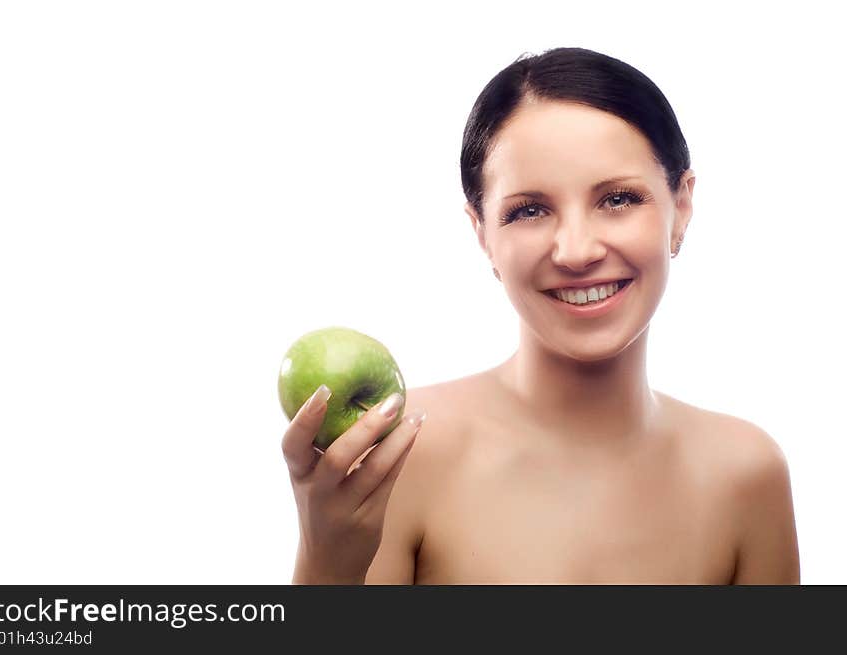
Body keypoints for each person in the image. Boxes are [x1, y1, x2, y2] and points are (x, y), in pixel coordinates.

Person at [281, 47, 801, 584]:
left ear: (681, 208)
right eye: (529, 210)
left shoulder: (748, 476)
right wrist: (326, 561)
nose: (575, 251)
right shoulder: (401, 459)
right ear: (482, 232)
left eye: (618, 199)